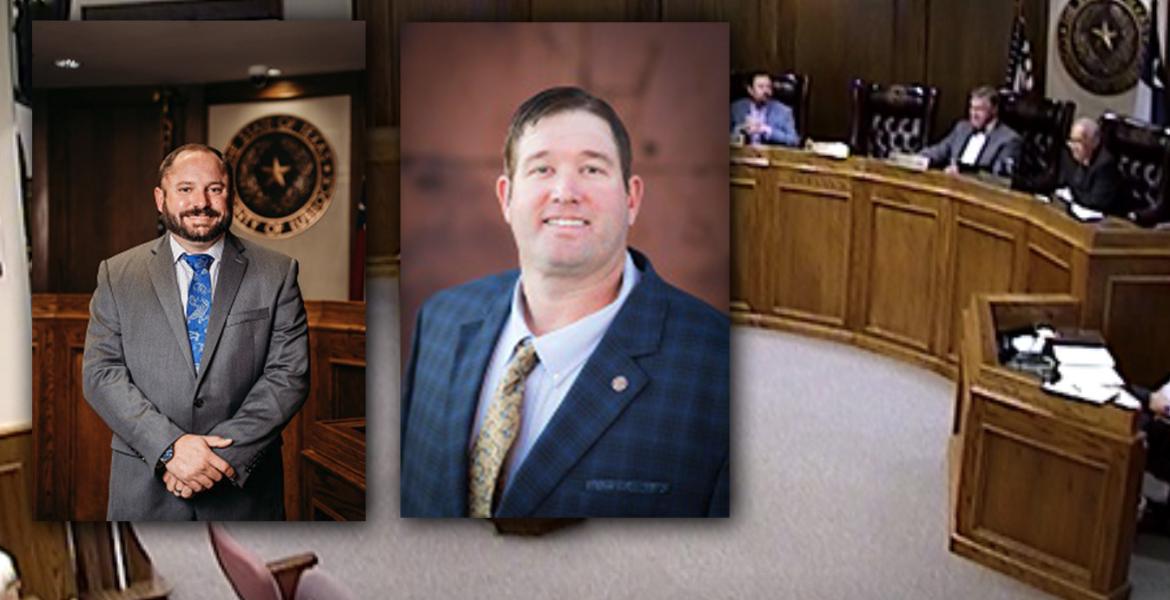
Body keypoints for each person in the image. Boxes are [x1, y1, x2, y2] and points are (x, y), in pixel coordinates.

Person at [400, 87, 730, 518]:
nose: (565, 191)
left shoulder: (718, 364)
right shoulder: (440, 320)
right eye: (542, 169)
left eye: (592, 168)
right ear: (506, 198)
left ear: (632, 199)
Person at [81, 143, 309, 520]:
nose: (200, 202)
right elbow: (101, 374)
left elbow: (289, 376)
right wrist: (169, 448)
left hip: (242, 493)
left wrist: (215, 459)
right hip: (144, 487)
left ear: (229, 195)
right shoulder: (117, 275)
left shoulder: (277, 273)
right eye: (185, 189)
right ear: (161, 198)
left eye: (214, 189)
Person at [921, 86, 1021, 176]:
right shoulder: (962, 128)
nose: (973, 114)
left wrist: (962, 173)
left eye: (979, 109)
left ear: (994, 110)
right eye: (972, 108)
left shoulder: (1009, 139)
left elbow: (998, 176)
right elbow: (939, 150)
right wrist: (920, 158)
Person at [1054, 117, 1124, 215]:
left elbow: (1096, 201)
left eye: (1078, 141)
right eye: (1071, 140)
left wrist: (1072, 195)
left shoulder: (1105, 164)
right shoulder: (1070, 155)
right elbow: (1061, 182)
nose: (1073, 147)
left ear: (1093, 142)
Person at [730, 71, 799, 146]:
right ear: (750, 90)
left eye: (768, 87)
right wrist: (741, 130)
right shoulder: (736, 108)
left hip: (770, 156)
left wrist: (766, 130)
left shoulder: (784, 111)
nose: (766, 91)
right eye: (761, 87)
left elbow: (794, 140)